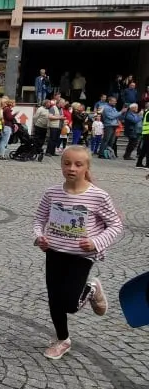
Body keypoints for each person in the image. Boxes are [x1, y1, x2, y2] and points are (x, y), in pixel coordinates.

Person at [33, 145, 122, 360]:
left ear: (86, 167)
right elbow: (39, 219)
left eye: (78, 164)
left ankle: (92, 288)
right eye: (67, 163)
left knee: (70, 304)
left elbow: (116, 225)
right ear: (61, 165)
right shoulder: (52, 193)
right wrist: (39, 237)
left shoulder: (98, 196)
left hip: (81, 256)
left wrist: (96, 242)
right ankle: (62, 340)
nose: (71, 168)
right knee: (54, 299)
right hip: (55, 252)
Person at [136, 102, 149, 169]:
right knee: (147, 150)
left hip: (146, 133)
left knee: (144, 149)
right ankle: (148, 165)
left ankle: (139, 163)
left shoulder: (146, 112)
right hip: (148, 133)